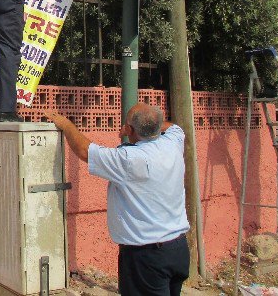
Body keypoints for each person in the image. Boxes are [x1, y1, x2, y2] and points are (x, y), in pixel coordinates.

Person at [47, 103, 190, 296]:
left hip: (147, 256)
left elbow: (84, 150)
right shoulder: (172, 143)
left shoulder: (130, 159)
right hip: (177, 249)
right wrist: (150, 124)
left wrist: (66, 124)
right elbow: (173, 127)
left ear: (129, 130)